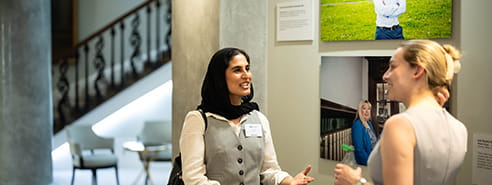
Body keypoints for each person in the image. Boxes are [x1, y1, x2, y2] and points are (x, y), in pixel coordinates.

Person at [334, 40, 467, 185]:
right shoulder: (459, 128)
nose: (385, 76)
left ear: (417, 70)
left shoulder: (400, 125)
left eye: (392, 66)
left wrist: (355, 182)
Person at [179, 47, 315, 185]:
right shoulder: (198, 120)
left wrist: (289, 181)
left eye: (247, 68)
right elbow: (193, 178)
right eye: (237, 70)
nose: (246, 75)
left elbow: (268, 170)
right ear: (219, 77)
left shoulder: (259, 118)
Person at [351, 100, 378, 166]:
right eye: (364, 108)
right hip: (366, 162)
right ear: (360, 111)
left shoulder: (369, 123)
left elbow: (373, 142)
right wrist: (371, 163)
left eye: (368, 109)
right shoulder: (357, 125)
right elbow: (359, 151)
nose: (367, 111)